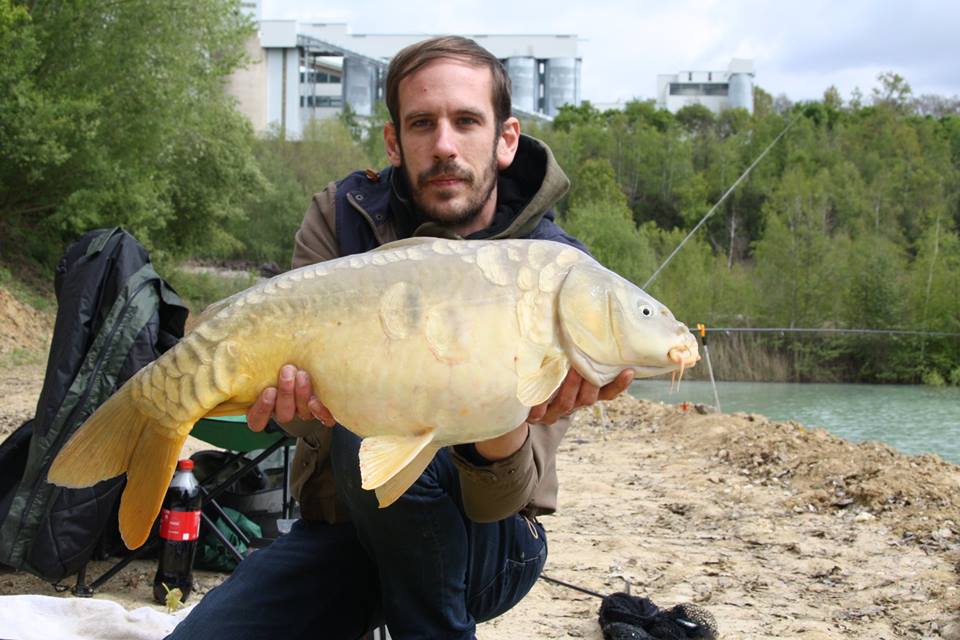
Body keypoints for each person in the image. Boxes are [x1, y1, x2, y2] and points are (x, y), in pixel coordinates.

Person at [168, 36, 634, 640]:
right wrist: (295, 411)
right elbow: (300, 427)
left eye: (467, 121)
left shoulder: (561, 277)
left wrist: (508, 411)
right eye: (422, 124)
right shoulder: (340, 219)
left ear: (506, 138)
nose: (444, 145)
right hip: (343, 531)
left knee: (377, 416)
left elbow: (504, 498)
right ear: (394, 141)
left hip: (487, 547)